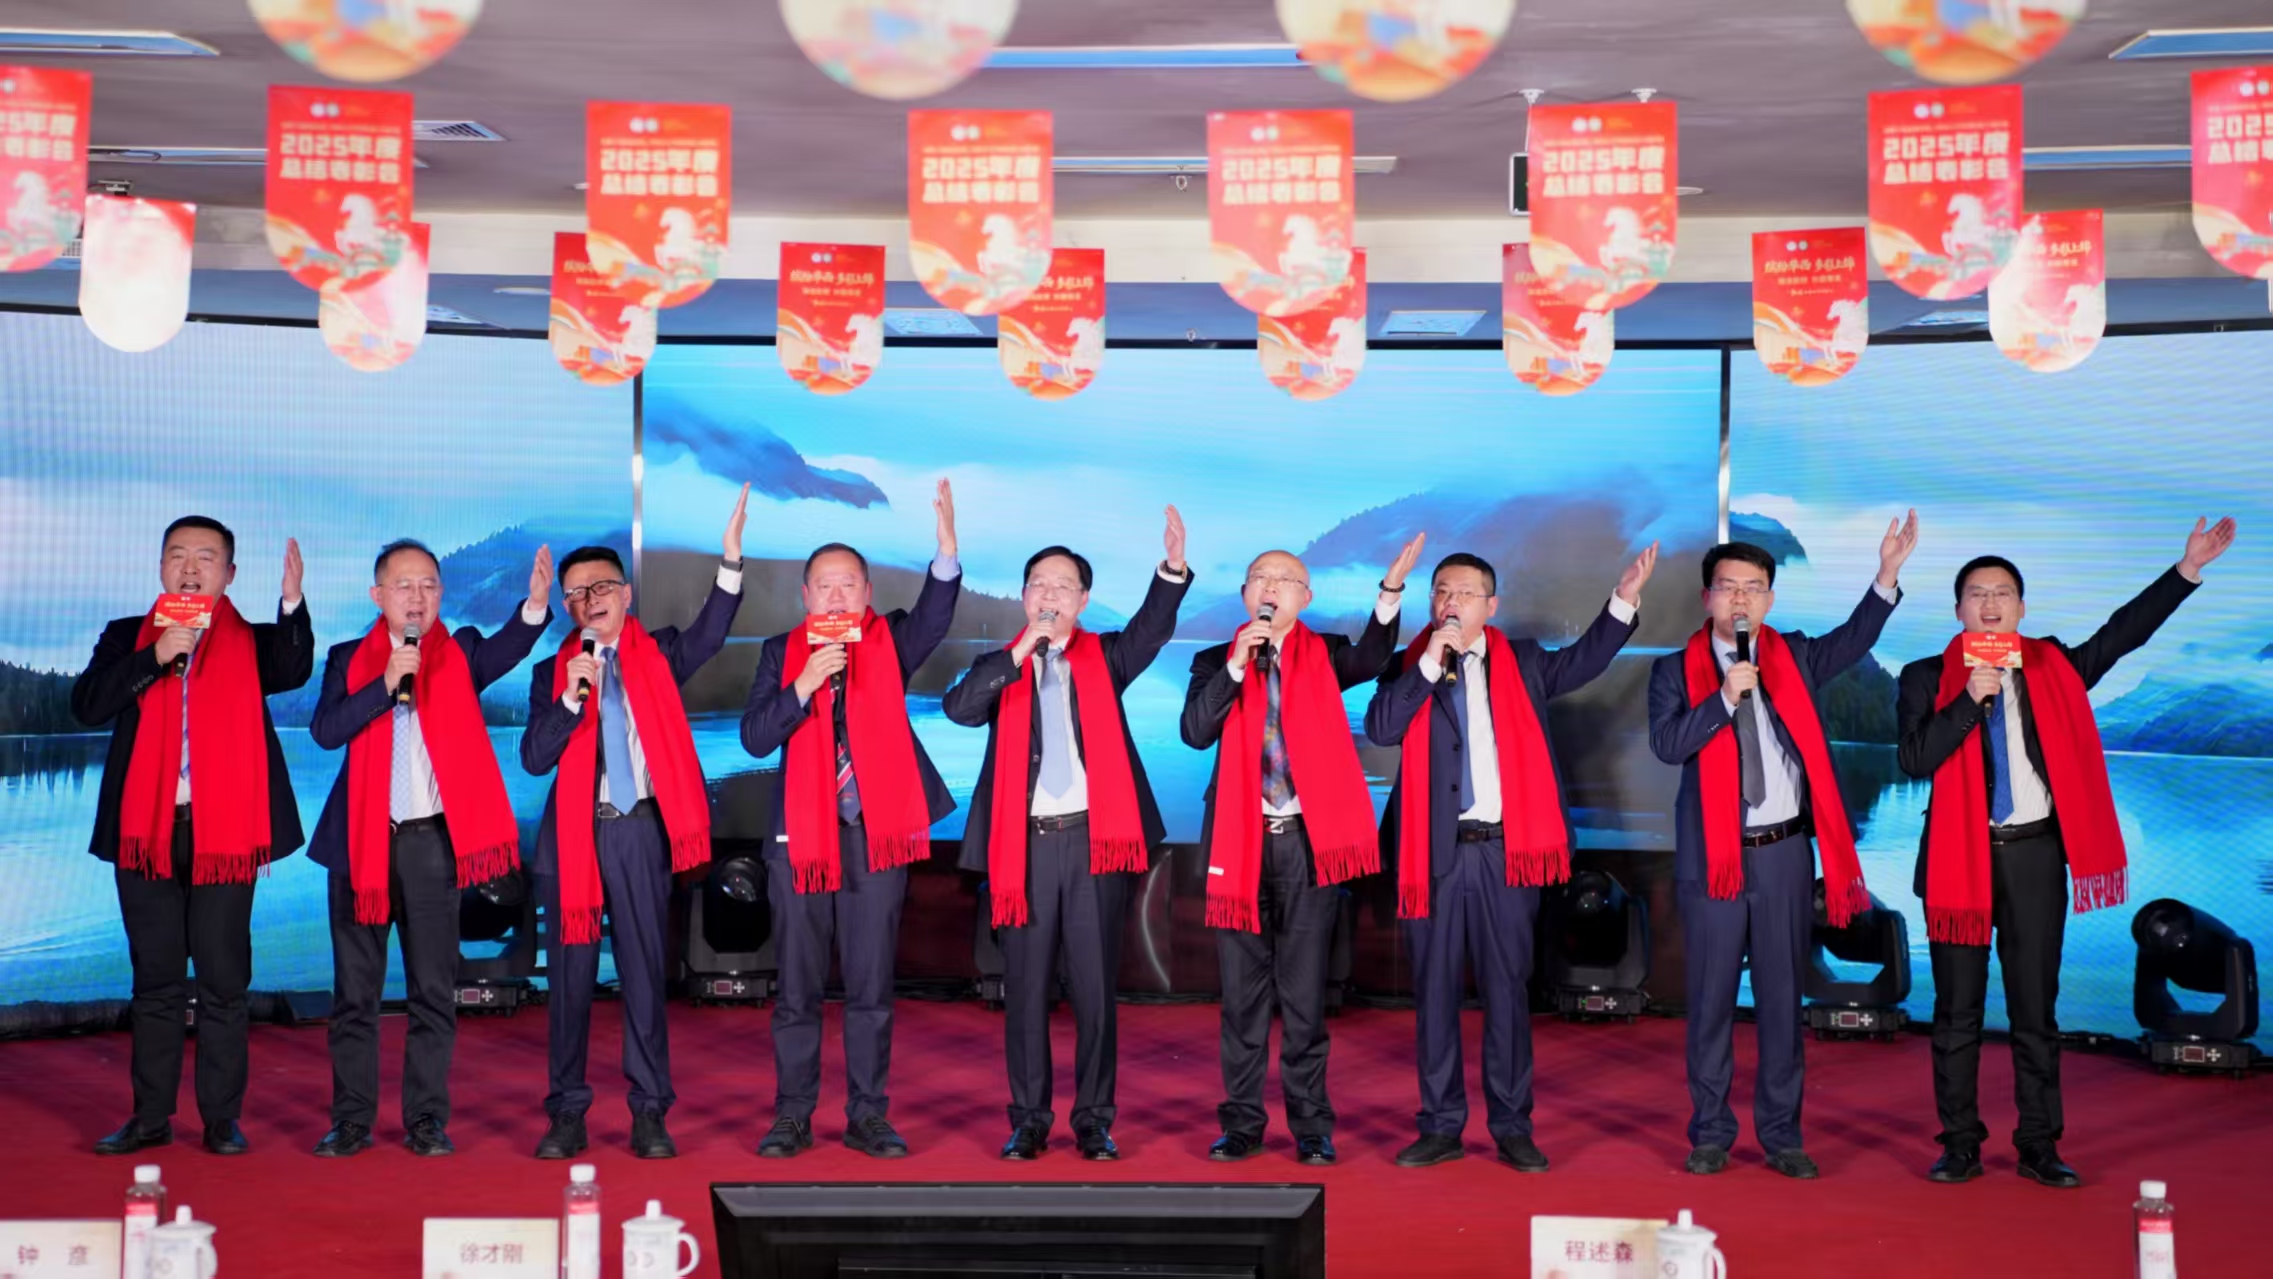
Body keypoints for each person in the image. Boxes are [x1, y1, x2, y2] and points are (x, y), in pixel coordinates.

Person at [1896, 517, 2237, 1190]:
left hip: (2033, 857)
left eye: (2001, 593)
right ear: (1958, 609)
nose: (1989, 603)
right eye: (1975, 594)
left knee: (2034, 1009)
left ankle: (2038, 1143)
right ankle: (1959, 1143)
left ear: (2021, 608)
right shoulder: (1924, 676)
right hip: (1957, 861)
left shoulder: (2052, 665)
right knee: (1956, 1012)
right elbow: (1913, 759)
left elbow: (2121, 634)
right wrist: (1966, 700)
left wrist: (2186, 570)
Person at [1365, 543, 1659, 1172]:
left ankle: (1511, 1125)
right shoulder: (1410, 665)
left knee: (1506, 991)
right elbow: (1383, 729)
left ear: (1491, 605)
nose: (1450, 602)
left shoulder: (1522, 662)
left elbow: (1584, 661)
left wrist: (1624, 599)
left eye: (1464, 593)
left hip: (1505, 854)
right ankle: (1440, 1125)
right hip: (1432, 855)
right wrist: (1427, 663)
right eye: (1442, 592)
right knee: (1435, 994)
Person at [1647, 512, 1917, 1180]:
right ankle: (1711, 1131)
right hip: (1713, 857)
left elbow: (1852, 640)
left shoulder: (1792, 656)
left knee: (1779, 996)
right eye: (1727, 586)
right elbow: (1668, 744)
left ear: (1769, 598)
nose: (1739, 598)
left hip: (1783, 854)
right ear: (1707, 596)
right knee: (1710, 1000)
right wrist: (1721, 698)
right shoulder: (1672, 671)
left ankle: (1781, 1134)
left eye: (1752, 587)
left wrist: (1886, 574)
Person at [943, 508, 1193, 1162]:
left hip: (1093, 844)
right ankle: (1028, 1119)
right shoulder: (1000, 665)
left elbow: (1151, 629)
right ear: (1024, 597)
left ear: (1083, 601)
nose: (1049, 594)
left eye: (1063, 586)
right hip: (1023, 848)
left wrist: (1171, 570)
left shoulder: (1107, 657)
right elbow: (959, 710)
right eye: (1038, 584)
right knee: (1024, 991)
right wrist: (1019, 652)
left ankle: (1093, 1120)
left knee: (1093, 990)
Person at [304, 539, 556, 1158]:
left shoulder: (460, 650)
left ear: (441, 594)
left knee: (433, 990)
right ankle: (352, 1120)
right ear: (378, 595)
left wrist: (534, 606)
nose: (417, 597)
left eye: (428, 585)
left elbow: (508, 647)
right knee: (355, 994)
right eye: (404, 585)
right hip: (360, 847)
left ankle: (425, 1119)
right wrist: (385, 685)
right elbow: (326, 732)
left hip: (432, 846)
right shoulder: (347, 658)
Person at [521, 485, 749, 1160]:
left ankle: (650, 1109)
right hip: (573, 837)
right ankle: (566, 1112)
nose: (587, 601)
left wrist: (730, 560)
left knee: (645, 974)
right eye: (574, 594)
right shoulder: (552, 672)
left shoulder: (661, 652)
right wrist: (570, 700)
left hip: (640, 830)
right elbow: (534, 758)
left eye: (600, 588)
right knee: (569, 981)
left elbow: (712, 631)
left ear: (624, 594)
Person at [739, 480, 964, 1160]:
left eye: (848, 585)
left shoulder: (891, 641)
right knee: (797, 990)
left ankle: (868, 1114)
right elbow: (755, 737)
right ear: (805, 596)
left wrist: (946, 552)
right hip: (800, 843)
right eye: (824, 587)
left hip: (875, 836)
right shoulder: (779, 652)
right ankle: (792, 1115)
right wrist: (803, 685)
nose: (836, 597)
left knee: (870, 989)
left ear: (867, 593)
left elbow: (933, 617)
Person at [1181, 537, 1423, 1166]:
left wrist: (1390, 592)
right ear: (1245, 594)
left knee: (1305, 998)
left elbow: (1373, 656)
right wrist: (1237, 667)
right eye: (1259, 577)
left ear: (1305, 597)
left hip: (1309, 845)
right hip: (1240, 843)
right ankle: (1241, 1124)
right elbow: (1195, 732)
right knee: (1242, 1001)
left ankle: (1312, 1126)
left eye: (1284, 579)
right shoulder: (1214, 660)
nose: (1270, 586)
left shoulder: (1328, 654)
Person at [74, 517, 312, 1157]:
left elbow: (293, 666)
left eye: (205, 557)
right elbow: (88, 704)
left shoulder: (251, 642)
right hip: (146, 834)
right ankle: (150, 1117)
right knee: (154, 980)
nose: (189, 568)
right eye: (177, 555)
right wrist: (154, 657)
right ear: (161, 568)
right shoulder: (127, 636)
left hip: (224, 838)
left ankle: (220, 1119)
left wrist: (292, 602)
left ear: (228, 574)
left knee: (223, 981)